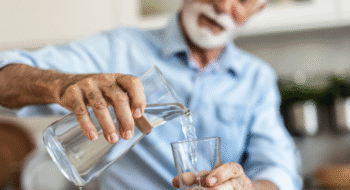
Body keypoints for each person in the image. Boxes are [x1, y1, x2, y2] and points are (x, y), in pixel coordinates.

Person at [0, 0, 302, 189]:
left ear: (258, 9)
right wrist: (59, 84)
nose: (223, 5)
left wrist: (249, 187)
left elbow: (279, 167)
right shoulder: (119, 49)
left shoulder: (256, 77)